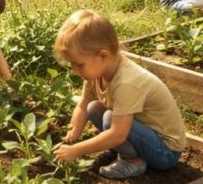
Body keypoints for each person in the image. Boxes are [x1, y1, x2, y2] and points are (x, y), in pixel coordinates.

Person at [53, 10, 186, 180]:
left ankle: (133, 161)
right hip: (144, 134)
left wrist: (77, 150)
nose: (75, 70)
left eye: (79, 65)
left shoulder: (127, 82)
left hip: (165, 151)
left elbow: (118, 134)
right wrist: (73, 133)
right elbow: (83, 104)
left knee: (110, 119)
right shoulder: (97, 73)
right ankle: (120, 149)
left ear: (102, 55)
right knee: (93, 107)